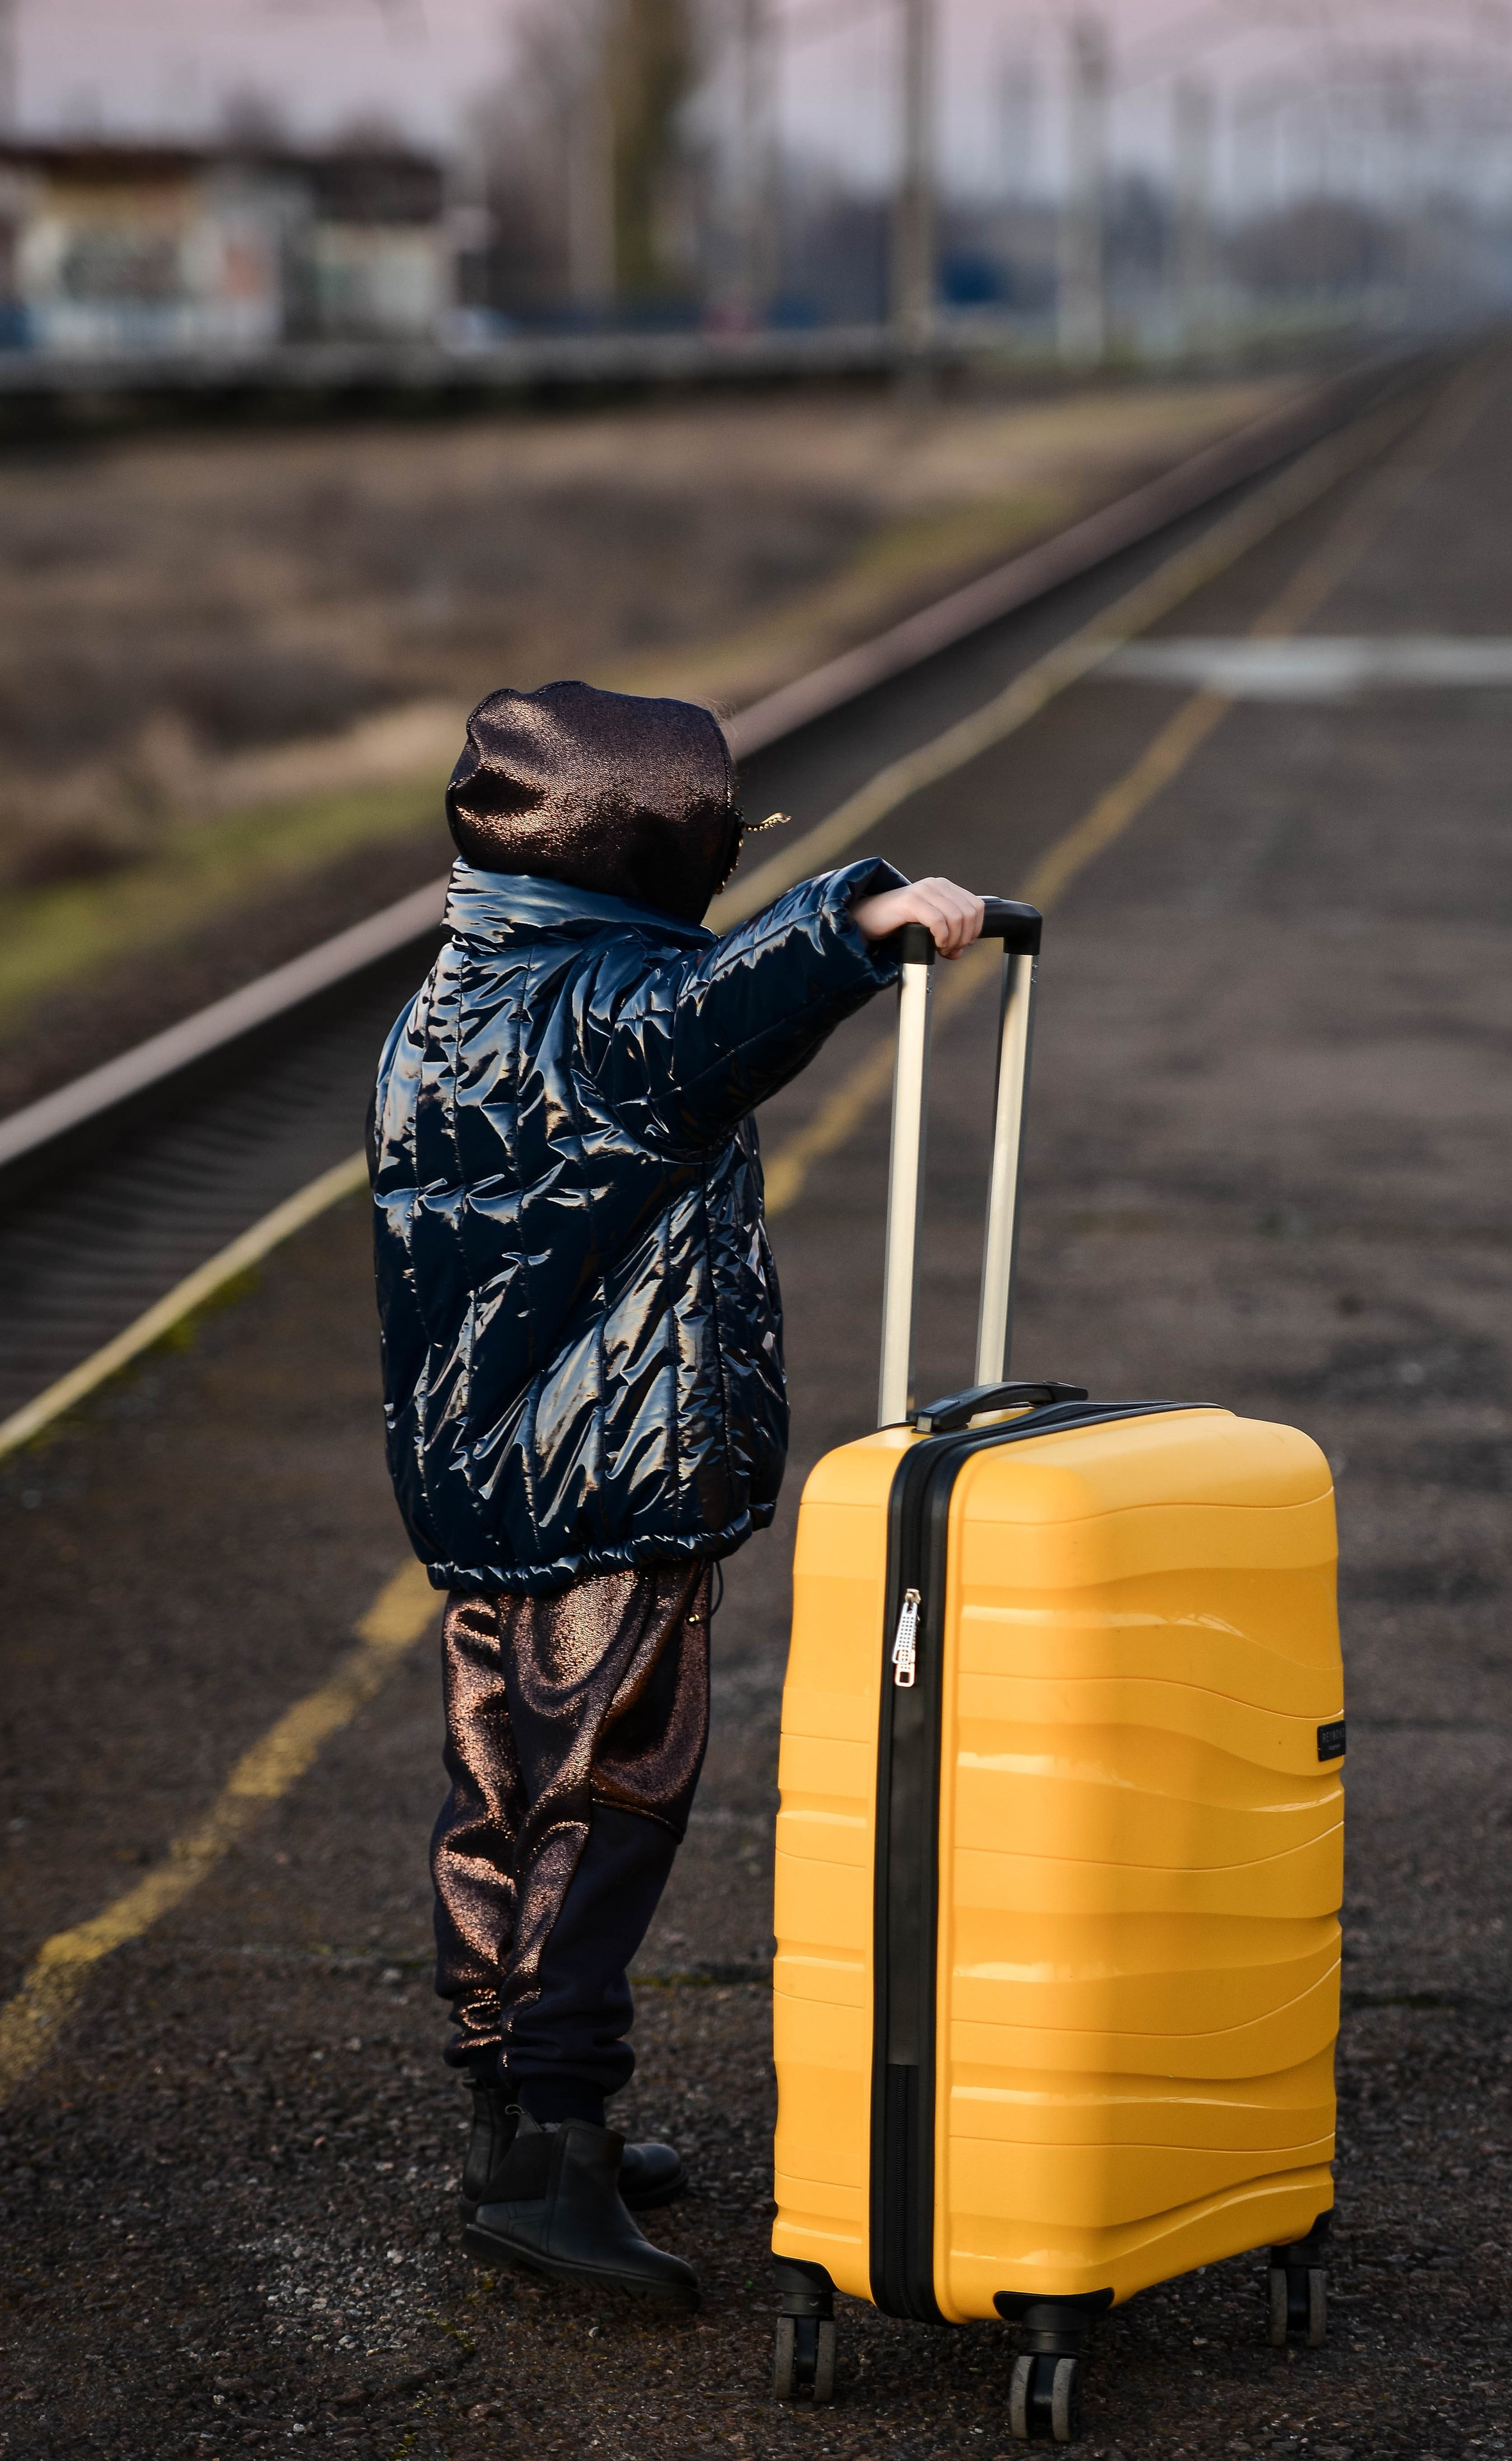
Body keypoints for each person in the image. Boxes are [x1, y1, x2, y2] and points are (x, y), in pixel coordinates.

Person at [369, 678, 984, 2312]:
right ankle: (552, 2143)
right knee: (605, 1803)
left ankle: (511, 2111)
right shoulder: (610, 1016)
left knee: (500, 1795)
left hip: (493, 1484)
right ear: (644, 845)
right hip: (605, 1487)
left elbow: (691, 1011)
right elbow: (731, 1004)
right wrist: (871, 909)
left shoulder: (460, 987)